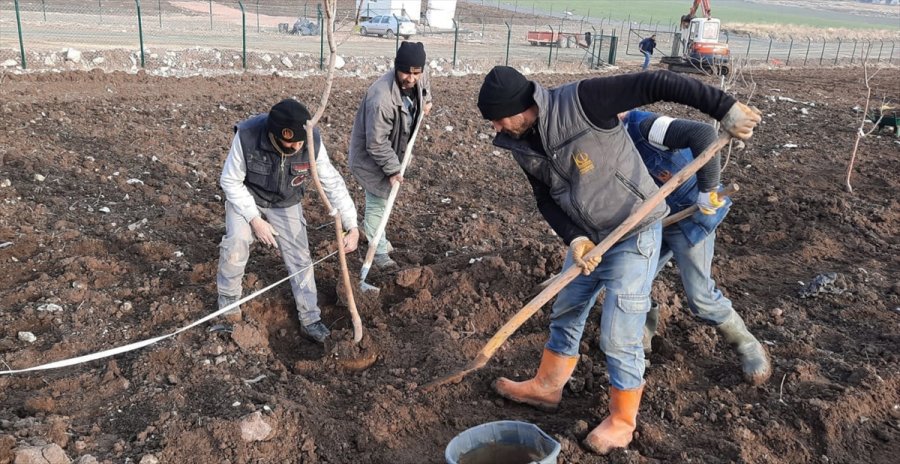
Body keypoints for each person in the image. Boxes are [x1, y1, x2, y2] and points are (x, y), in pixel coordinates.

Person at [476, 66, 760, 455]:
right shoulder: (519, 142)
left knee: (620, 331)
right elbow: (544, 197)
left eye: (497, 117)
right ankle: (547, 386)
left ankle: (623, 422)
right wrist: (574, 239)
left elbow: (656, 82)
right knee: (567, 307)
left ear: (521, 107)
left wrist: (723, 106)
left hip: (635, 230)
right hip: (591, 239)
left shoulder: (583, 101)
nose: (495, 126)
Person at [621, 110, 771, 385]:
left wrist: (707, 189)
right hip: (651, 223)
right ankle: (639, 342)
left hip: (690, 216)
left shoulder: (646, 127)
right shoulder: (605, 142)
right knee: (633, 284)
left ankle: (747, 345)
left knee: (700, 297)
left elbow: (703, 134)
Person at [216, 98, 360, 344]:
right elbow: (230, 181)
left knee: (300, 258)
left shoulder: (312, 141)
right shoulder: (248, 136)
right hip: (247, 196)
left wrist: (352, 225)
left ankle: (310, 318)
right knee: (237, 241)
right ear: (273, 135)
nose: (295, 147)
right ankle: (228, 303)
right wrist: (254, 219)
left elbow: (332, 182)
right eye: (289, 142)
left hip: (286, 202)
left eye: (299, 141)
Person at [349, 41, 432, 271]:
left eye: (416, 72)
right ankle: (379, 254)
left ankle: (380, 239)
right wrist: (394, 169)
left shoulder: (418, 76)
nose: (411, 78)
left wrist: (427, 101)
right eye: (406, 72)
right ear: (396, 67)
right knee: (378, 201)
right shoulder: (381, 99)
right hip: (371, 156)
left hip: (393, 149)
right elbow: (376, 142)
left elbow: (425, 85)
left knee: (385, 200)